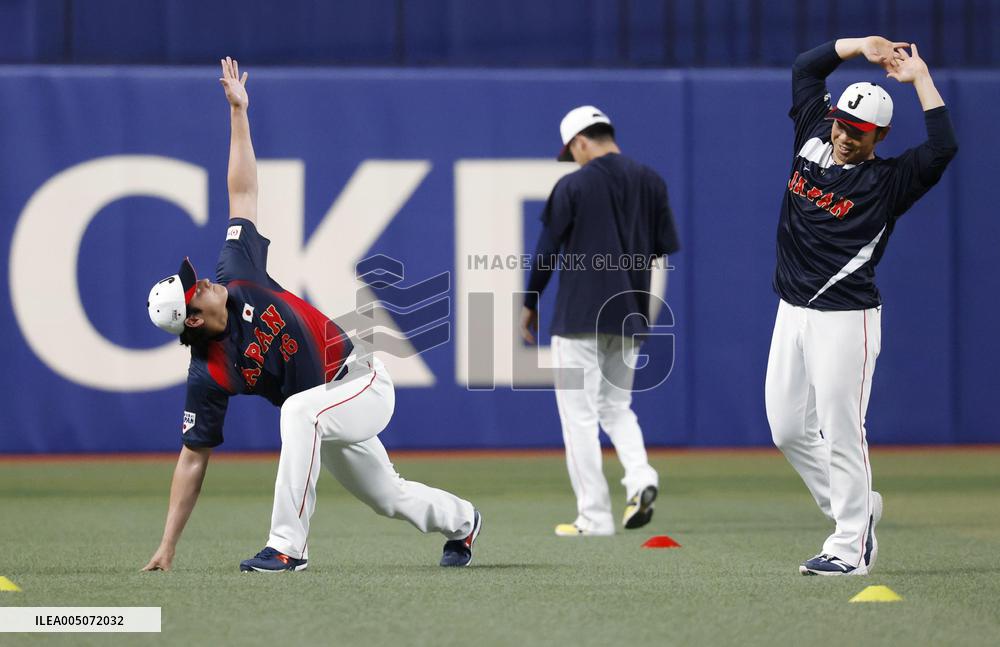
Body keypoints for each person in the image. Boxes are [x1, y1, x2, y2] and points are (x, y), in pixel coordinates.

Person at [141, 57, 481, 573]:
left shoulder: (238, 270)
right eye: (194, 292)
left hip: (361, 378)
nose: (202, 282)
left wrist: (239, 113)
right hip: (326, 407)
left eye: (195, 278)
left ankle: (287, 548)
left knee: (298, 412)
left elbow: (243, 191)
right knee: (387, 495)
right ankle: (464, 522)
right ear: (191, 321)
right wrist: (167, 547)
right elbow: (192, 457)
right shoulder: (208, 373)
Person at [765, 37, 957, 575]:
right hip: (793, 309)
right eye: (844, 125)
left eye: (861, 132)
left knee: (842, 429)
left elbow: (942, 149)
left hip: (846, 317)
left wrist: (920, 79)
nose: (847, 137)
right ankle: (857, 510)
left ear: (881, 137)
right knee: (785, 427)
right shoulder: (813, 135)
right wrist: (862, 46)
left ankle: (850, 548)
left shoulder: (889, 182)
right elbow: (806, 67)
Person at [520, 106, 680, 537]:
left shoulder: (574, 184)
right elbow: (663, 250)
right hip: (629, 313)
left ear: (580, 142)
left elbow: (546, 250)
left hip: (579, 316)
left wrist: (529, 302)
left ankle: (594, 517)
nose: (573, 160)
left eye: (572, 152)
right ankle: (641, 476)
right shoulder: (653, 182)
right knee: (616, 407)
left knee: (580, 417)